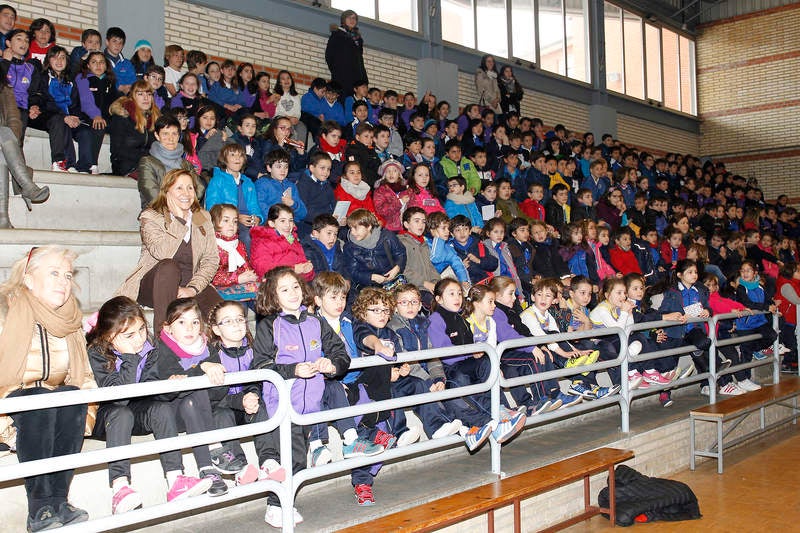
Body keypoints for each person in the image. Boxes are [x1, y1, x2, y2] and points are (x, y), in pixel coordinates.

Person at [86, 296, 214, 515]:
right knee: (121, 413)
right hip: (107, 417)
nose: (138, 340)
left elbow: (151, 392)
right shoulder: (97, 352)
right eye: (129, 335)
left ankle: (176, 480)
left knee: (161, 409)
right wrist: (128, 357)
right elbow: (119, 398)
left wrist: (169, 388)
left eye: (142, 330)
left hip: (137, 410)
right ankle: (120, 486)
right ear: (109, 336)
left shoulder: (150, 348)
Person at [0, 246, 95, 531]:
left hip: (54, 408)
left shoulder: (70, 320)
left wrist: (87, 414)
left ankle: (58, 501)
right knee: (39, 398)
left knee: (71, 396)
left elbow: (85, 377)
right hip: (11, 407)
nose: (63, 282)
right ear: (29, 279)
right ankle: (39, 506)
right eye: (53, 273)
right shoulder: (5, 311)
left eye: (67, 276)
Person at [252, 267, 353, 527]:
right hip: (282, 405)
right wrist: (291, 370)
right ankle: (276, 507)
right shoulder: (268, 325)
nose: (293, 293)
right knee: (291, 457)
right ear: (273, 296)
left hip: (312, 406)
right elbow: (261, 365)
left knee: (299, 458)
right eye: (284, 289)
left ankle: (285, 503)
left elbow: (341, 354)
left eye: (295, 286)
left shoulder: (316, 321)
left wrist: (332, 366)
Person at [117, 169, 222, 333]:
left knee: (224, 314)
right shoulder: (151, 216)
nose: (186, 193)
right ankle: (163, 336)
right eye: (179, 188)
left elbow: (211, 259)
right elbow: (162, 253)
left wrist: (193, 288)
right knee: (168, 266)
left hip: (190, 284)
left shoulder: (202, 217)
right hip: (155, 285)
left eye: (190, 188)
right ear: (167, 191)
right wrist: (179, 220)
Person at [428, 278, 526, 451]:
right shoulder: (436, 319)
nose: (457, 297)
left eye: (459, 293)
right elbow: (445, 354)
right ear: (438, 299)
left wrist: (475, 354)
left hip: (466, 363)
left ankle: (503, 410)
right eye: (451, 294)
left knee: (489, 364)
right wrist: (470, 352)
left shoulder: (461, 317)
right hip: (451, 369)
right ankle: (494, 419)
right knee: (463, 380)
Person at [0, 60, 50, 228]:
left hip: (3, 141)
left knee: (2, 151)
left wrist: (10, 143)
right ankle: (27, 185)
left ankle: (3, 219)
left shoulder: (4, 88)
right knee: (4, 135)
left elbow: (14, 119)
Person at [204, 142, 263, 251]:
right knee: (246, 237)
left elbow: (254, 206)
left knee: (267, 236)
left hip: (248, 222)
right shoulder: (217, 180)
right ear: (224, 160)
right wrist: (237, 218)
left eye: (240, 155)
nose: (237, 158)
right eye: (232, 155)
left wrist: (258, 218)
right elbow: (212, 208)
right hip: (229, 222)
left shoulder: (248, 182)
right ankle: (248, 267)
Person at [137, 114, 197, 210]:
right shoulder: (147, 162)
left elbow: (198, 188)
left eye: (174, 134)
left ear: (179, 136)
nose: (170, 138)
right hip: (157, 211)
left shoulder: (186, 164)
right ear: (157, 135)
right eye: (165, 134)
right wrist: (177, 208)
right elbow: (151, 192)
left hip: (186, 210)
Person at [74, 51, 119, 174]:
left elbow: (116, 101)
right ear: (88, 65)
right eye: (94, 62)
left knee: (122, 127)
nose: (98, 65)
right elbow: (86, 100)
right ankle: (92, 163)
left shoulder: (110, 81)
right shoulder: (83, 78)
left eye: (102, 62)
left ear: (106, 65)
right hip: (87, 117)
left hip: (105, 118)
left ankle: (119, 165)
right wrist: (96, 115)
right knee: (99, 126)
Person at [343, 208, 406, 292]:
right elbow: (352, 272)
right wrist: (371, 277)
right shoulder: (350, 247)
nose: (352, 232)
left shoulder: (387, 237)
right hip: (368, 289)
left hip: (393, 284)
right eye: (351, 228)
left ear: (369, 226)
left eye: (356, 228)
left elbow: (400, 253)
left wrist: (397, 268)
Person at [109, 80, 160, 176]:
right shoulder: (122, 117)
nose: (146, 98)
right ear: (133, 97)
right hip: (126, 164)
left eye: (149, 94)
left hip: (149, 164)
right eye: (140, 94)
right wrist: (147, 158)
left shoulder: (155, 118)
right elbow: (117, 150)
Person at [250, 203, 314, 280]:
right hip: (273, 286)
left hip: (294, 284)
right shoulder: (262, 241)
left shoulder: (292, 239)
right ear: (272, 223)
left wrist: (307, 270)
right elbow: (263, 271)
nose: (288, 225)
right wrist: (293, 269)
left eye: (290, 221)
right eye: (282, 221)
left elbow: (303, 268)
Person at [208, 203, 259, 299]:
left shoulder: (238, 243)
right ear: (214, 222)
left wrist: (250, 274)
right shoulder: (212, 246)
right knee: (241, 309)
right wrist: (237, 278)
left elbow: (245, 264)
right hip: (221, 289)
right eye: (226, 220)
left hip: (240, 285)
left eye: (235, 221)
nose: (231, 225)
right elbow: (212, 277)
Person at [325, 9, 368, 106]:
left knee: (356, 104)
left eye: (354, 18)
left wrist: (364, 80)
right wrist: (338, 70)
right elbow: (329, 55)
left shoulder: (358, 39)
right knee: (343, 101)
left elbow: (360, 61)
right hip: (342, 77)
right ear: (343, 20)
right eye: (349, 17)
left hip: (356, 78)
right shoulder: (337, 35)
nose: (352, 20)